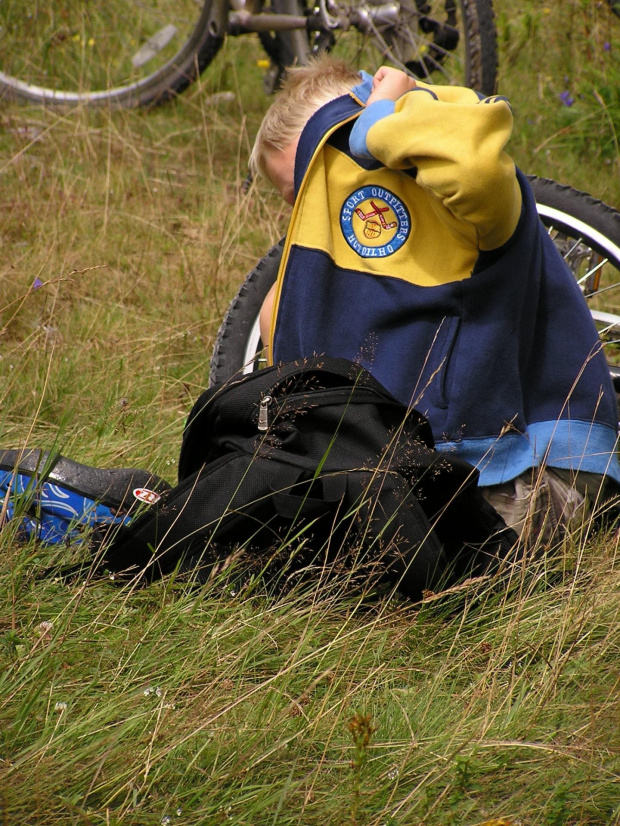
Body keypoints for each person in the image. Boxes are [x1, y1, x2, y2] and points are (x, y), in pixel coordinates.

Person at [249, 54, 620, 546]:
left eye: (324, 176)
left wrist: (378, 119)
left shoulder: (472, 204)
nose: (315, 204)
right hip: (458, 468)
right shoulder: (367, 254)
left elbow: (477, 169)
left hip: (535, 468)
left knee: (375, 553)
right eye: (298, 198)